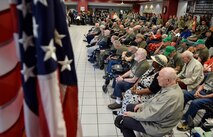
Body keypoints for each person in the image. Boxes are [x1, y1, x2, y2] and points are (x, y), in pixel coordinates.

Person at [114, 67, 184, 137]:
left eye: (160, 76)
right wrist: (142, 105)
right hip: (157, 118)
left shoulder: (171, 96)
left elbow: (152, 115)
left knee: (121, 120)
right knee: (129, 106)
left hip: (159, 126)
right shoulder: (170, 87)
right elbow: (154, 100)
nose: (157, 78)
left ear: (168, 80)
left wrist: (132, 115)